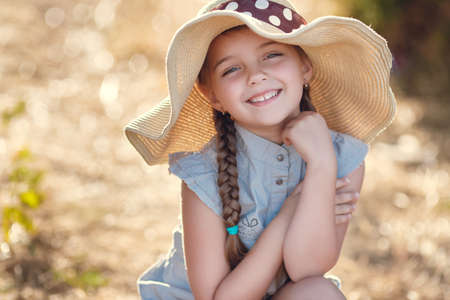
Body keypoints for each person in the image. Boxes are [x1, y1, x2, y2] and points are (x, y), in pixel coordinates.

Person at [124, 0, 397, 299]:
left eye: (272, 54)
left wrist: (321, 165)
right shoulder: (204, 171)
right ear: (212, 95)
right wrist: (288, 214)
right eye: (231, 69)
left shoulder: (341, 157)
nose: (255, 75)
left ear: (305, 67)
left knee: (319, 293)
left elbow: (307, 270)